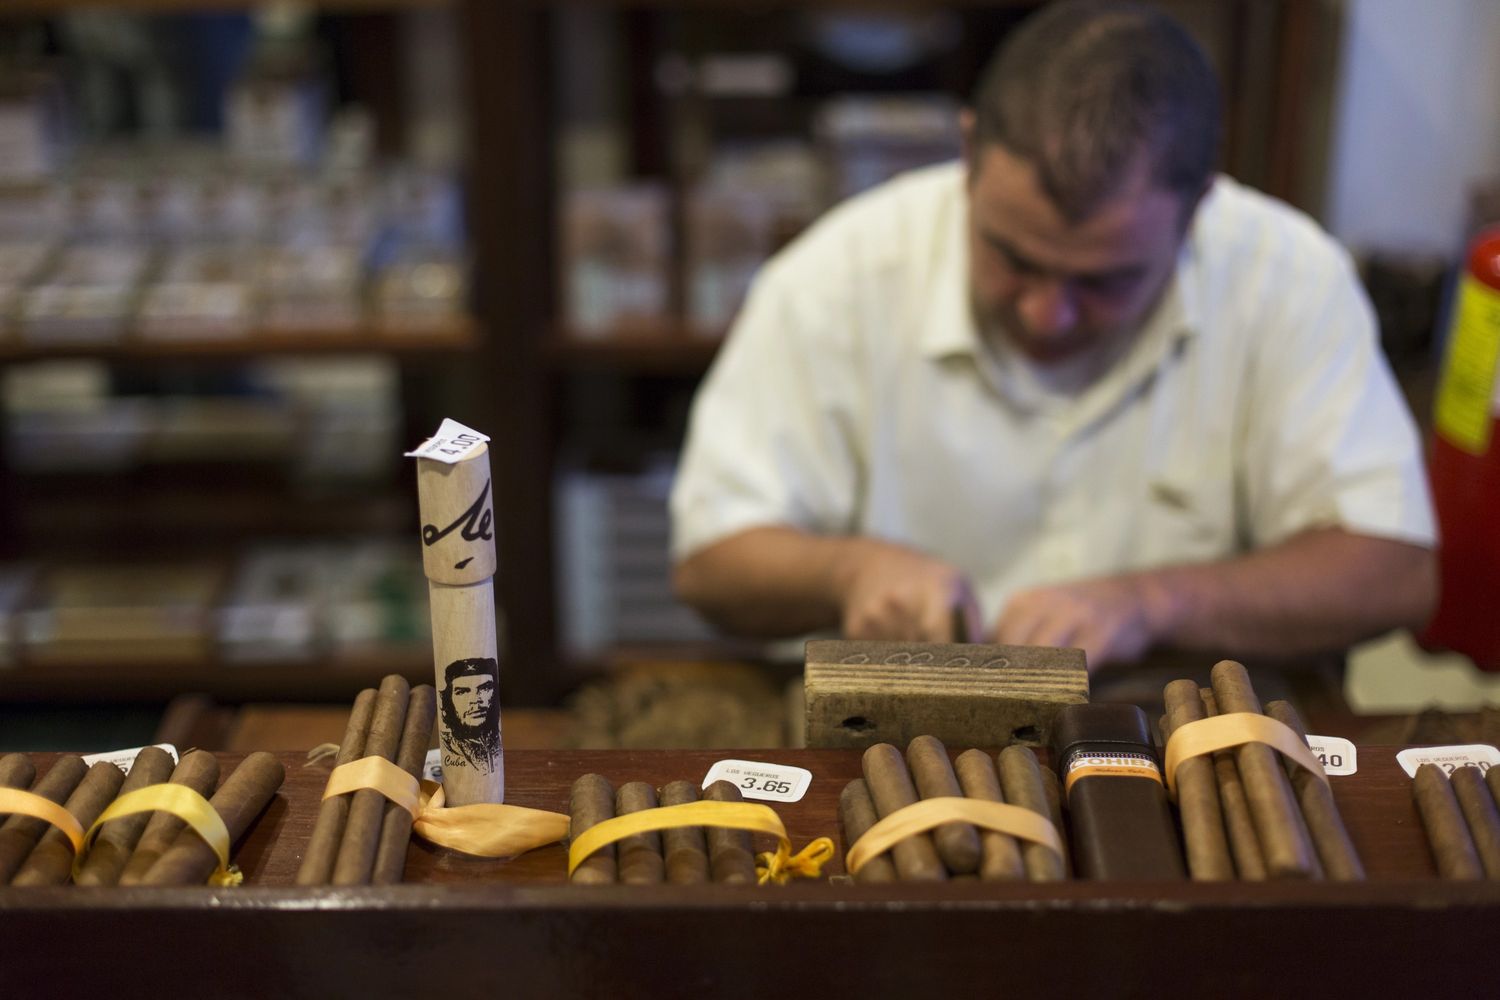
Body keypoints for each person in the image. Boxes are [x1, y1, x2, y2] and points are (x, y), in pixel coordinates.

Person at [669, 0, 1437, 674]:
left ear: (1198, 207)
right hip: (890, 740)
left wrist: (1151, 602)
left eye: (1105, 280)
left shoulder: (1287, 276)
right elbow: (710, 562)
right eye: (1011, 256)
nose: (1048, 314)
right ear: (968, 154)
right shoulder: (835, 277)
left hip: (1193, 740)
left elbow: (1392, 569)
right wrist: (848, 571)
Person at [439, 657, 501, 773]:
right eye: (462, 692)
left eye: (485, 688)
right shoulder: (447, 746)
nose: (475, 700)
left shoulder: (499, 740)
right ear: (449, 701)